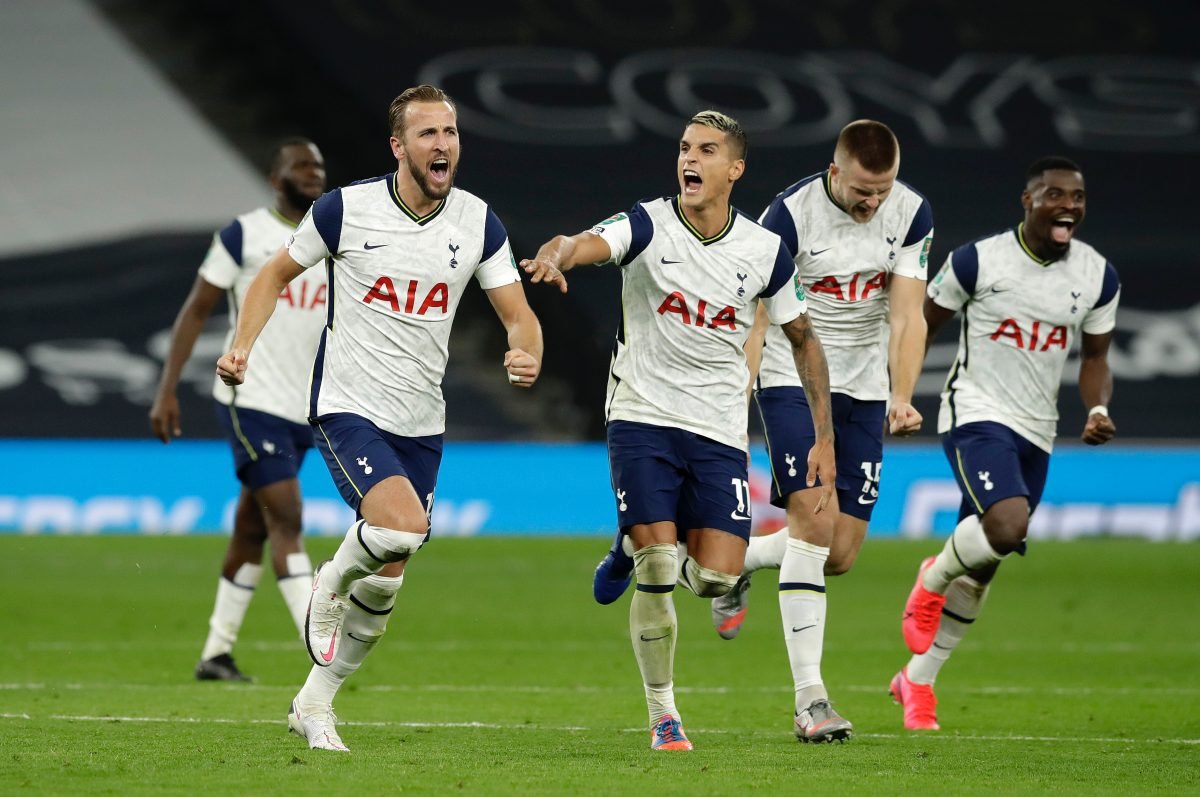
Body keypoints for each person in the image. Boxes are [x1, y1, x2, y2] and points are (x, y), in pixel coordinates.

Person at [216, 84, 544, 752]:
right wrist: (242, 345)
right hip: (347, 407)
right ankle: (326, 582)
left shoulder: (478, 222)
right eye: (428, 134)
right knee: (400, 528)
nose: (442, 144)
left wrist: (526, 350)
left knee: (389, 581)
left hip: (422, 420)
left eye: (450, 132)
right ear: (399, 146)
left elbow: (518, 313)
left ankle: (314, 703)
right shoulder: (345, 211)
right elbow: (273, 276)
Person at [521, 110, 837, 750]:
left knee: (716, 578)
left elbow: (803, 339)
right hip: (641, 416)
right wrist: (558, 254)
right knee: (660, 565)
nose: (689, 159)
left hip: (719, 429)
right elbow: (583, 242)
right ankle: (664, 714)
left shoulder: (764, 252)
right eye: (685, 148)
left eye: (707, 150)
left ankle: (626, 543)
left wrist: (824, 437)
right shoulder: (647, 224)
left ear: (734, 170)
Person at [704, 120, 934, 741]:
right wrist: (740, 391)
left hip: (864, 388)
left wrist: (904, 395)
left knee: (838, 554)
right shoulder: (788, 216)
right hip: (792, 378)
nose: (873, 203)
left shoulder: (911, 214)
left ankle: (735, 565)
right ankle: (812, 702)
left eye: (882, 190)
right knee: (811, 519)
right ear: (836, 173)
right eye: (863, 190)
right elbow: (758, 316)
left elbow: (909, 314)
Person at [890, 156, 1119, 731]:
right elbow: (924, 323)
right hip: (976, 411)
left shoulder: (1098, 275)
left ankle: (917, 681)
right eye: (1055, 195)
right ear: (1028, 200)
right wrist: (899, 392)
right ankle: (931, 577)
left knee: (986, 566)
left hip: (1038, 428)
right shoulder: (977, 260)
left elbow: (1095, 359)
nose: (1069, 205)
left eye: (1078, 197)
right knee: (1007, 525)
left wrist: (1096, 408)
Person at [149, 138, 328, 682]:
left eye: (318, 164)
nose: (314, 172)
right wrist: (168, 387)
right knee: (289, 518)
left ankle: (216, 655)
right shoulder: (244, 234)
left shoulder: (333, 234)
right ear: (276, 179)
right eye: (301, 165)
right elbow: (197, 309)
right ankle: (320, 648)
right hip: (249, 399)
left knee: (252, 528)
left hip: (305, 408)